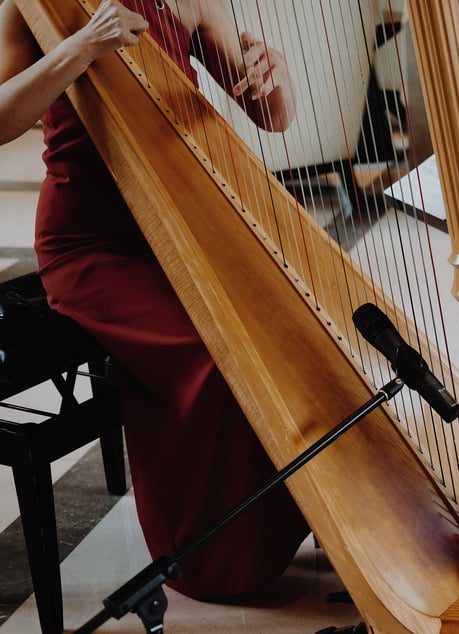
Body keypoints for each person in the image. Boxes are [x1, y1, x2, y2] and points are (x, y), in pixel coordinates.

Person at [0, 0, 311, 601]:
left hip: (181, 225)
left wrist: (275, 77)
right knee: (213, 355)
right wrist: (81, 46)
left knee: (279, 330)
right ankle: (206, 553)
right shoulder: (35, 3)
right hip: (89, 246)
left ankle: (293, 519)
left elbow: (271, 116)